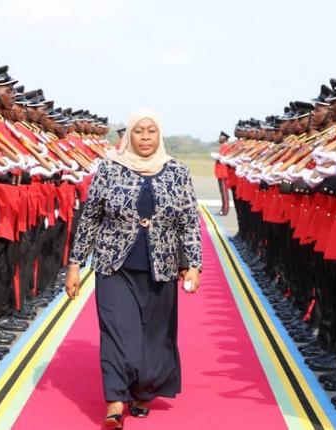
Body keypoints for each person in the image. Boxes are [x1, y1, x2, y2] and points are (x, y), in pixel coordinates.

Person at [65, 108, 202, 429]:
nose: (144, 137)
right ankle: (115, 400)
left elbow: (188, 222)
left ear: (160, 135)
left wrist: (192, 264)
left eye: (150, 131)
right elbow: (90, 218)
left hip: (161, 267)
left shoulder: (177, 171)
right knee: (118, 333)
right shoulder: (110, 169)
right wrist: (75, 263)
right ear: (128, 135)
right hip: (115, 266)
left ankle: (143, 391)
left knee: (155, 337)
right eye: (138, 131)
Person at [213, 131, 232, 215]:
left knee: (224, 192)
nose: (219, 138)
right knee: (222, 192)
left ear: (225, 138)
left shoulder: (226, 146)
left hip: (223, 172)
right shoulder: (223, 146)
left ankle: (224, 210)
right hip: (220, 172)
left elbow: (222, 157)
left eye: (221, 137)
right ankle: (223, 209)